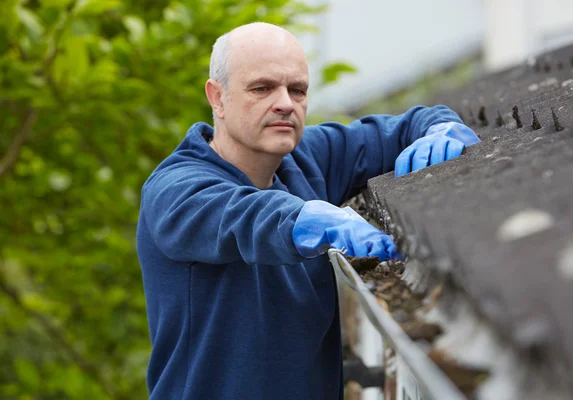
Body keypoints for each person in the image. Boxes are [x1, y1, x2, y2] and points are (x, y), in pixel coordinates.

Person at [136, 22, 480, 400]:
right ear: (217, 97)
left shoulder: (306, 160)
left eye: (297, 89)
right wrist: (303, 219)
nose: (285, 102)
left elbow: (405, 126)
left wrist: (442, 127)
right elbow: (239, 214)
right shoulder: (174, 190)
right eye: (262, 88)